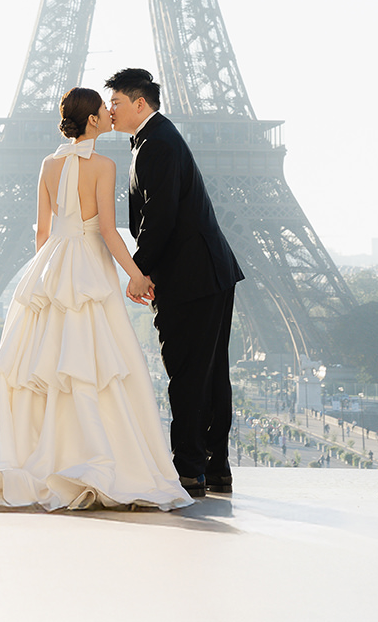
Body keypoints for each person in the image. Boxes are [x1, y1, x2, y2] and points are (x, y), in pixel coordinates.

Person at [0, 87, 191, 513]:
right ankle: (89, 454)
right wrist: (137, 275)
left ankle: (40, 452)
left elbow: (42, 231)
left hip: (53, 263)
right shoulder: (105, 165)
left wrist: (46, 276)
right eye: (103, 113)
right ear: (92, 121)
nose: (110, 115)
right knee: (92, 365)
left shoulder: (48, 165)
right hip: (88, 266)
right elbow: (108, 232)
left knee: (43, 366)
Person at [106, 66, 244, 500]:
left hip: (191, 278)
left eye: (116, 103)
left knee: (186, 374)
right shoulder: (155, 139)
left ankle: (188, 470)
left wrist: (138, 271)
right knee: (210, 374)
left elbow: (159, 217)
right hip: (209, 272)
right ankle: (214, 466)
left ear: (139, 103)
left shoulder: (157, 145)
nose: (110, 111)